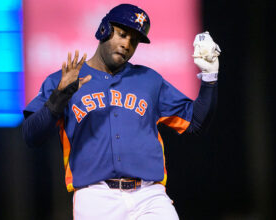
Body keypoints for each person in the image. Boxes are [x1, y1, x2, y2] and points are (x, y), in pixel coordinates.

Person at [22, 3, 221, 220]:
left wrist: (209, 77)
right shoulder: (63, 80)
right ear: (103, 30)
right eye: (122, 34)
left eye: (134, 40)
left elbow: (195, 123)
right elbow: (31, 135)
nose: (127, 44)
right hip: (95, 197)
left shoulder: (149, 80)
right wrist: (59, 97)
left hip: (149, 195)